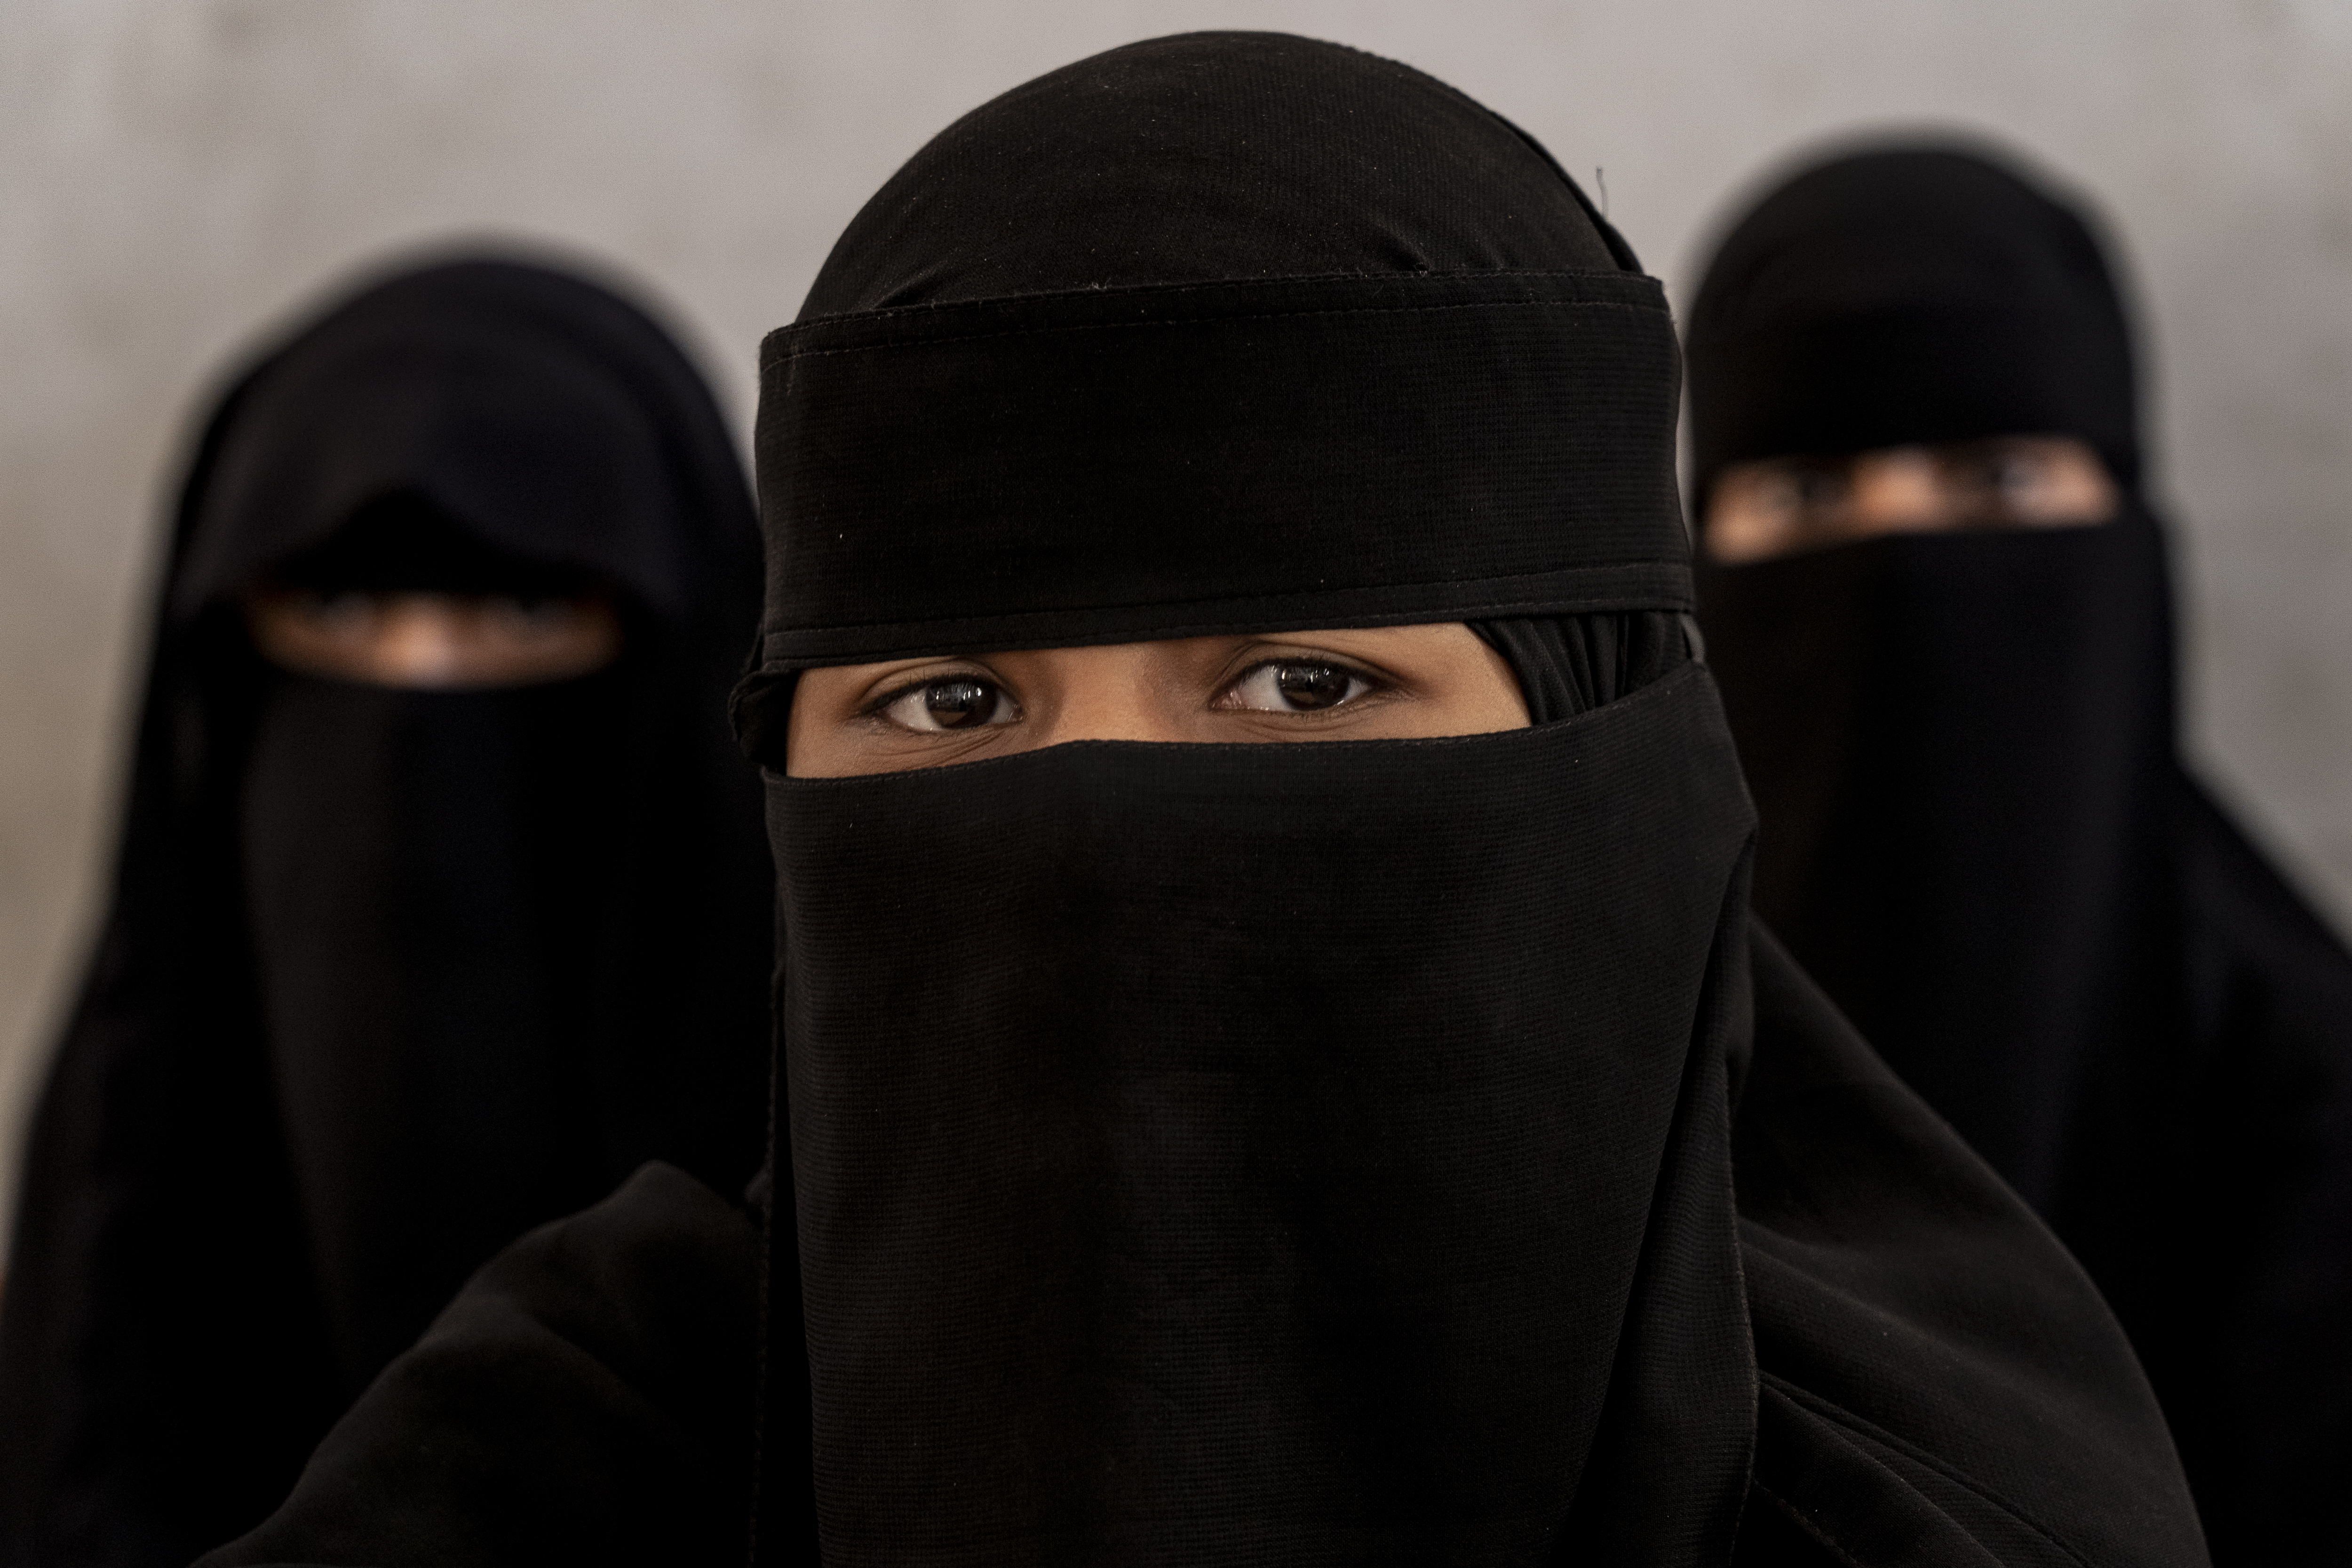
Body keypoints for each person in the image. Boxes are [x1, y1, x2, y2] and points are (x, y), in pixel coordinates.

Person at [201, 39, 2208, 1568]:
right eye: (950, 698)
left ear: (1615, 753)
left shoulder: (1928, 1508)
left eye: (1303, 686)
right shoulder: (575, 1449)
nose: (1100, 822)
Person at [0, 258, 775, 1566]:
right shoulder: (102, 1296)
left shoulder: (892, 1287)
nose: (417, 695)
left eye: (529, 611)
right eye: (336, 608)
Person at [1685, 145, 2352, 1564]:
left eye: (1993, 475)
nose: (1903, 555)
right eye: (1806, 495)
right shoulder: (1579, 1044)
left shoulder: (2311, 1089)